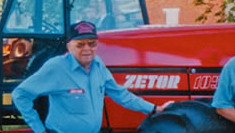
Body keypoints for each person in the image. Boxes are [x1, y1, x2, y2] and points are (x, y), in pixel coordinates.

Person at [12, 21, 172, 133]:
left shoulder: (98, 65)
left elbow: (120, 94)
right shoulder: (57, 67)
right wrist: (39, 130)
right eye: (80, 44)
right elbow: (20, 95)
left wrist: (154, 109)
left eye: (92, 43)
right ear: (69, 46)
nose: (87, 49)